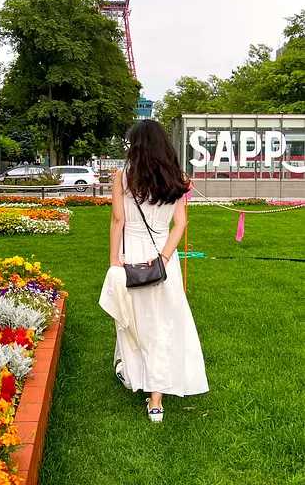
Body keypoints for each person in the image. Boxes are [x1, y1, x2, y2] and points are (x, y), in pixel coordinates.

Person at [104, 119, 208, 422]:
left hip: (131, 253)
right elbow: (182, 224)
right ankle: (156, 398)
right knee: (164, 320)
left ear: (135, 145)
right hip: (164, 257)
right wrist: (163, 257)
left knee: (135, 319)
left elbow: (117, 221)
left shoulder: (123, 177)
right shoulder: (178, 177)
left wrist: (114, 259)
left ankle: (137, 374)